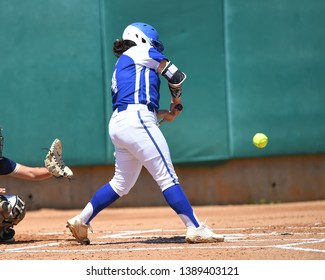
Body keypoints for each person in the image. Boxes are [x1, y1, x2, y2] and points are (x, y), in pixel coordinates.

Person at [66, 22, 225, 245]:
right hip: (137, 121)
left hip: (121, 123)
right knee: (167, 177)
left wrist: (164, 113)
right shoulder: (141, 51)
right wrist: (176, 102)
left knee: (121, 183)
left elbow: (135, 101)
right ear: (142, 38)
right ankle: (195, 227)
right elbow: (175, 76)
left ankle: (81, 220)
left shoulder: (123, 62)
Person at [0, 129, 73, 243]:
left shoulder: (1, 162)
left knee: (16, 206)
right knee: (1, 205)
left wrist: (53, 170)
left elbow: (32, 173)